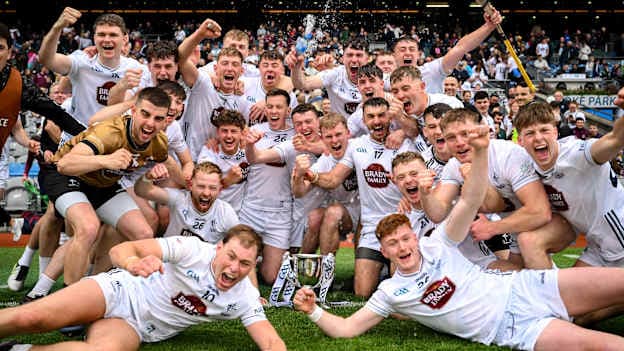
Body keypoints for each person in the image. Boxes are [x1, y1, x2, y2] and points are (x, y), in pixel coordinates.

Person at [292, 124, 624, 351]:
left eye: (406, 239)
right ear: (385, 253)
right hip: (511, 329)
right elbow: (347, 329)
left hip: (527, 288)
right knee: (606, 345)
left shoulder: (438, 242)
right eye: (393, 244)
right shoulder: (391, 292)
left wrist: (479, 154)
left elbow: (469, 198)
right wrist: (312, 311)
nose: (403, 247)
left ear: (415, 238)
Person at [0, 225, 286, 351]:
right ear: (219, 247)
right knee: (32, 318)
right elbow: (124, 249)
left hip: (134, 326)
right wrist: (134, 263)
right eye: (231, 257)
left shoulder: (245, 296)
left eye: (245, 264)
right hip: (117, 291)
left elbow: (271, 342)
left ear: (254, 265)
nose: (235, 268)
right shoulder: (192, 249)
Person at [43, 87, 172, 286]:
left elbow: (168, 165)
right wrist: (106, 160)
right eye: (145, 114)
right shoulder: (111, 131)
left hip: (102, 183)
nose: (150, 123)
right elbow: (65, 164)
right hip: (66, 174)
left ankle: (97, 286)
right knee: (88, 228)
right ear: (134, 111)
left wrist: (187, 180)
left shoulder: (160, 143)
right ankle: (67, 297)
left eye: (158, 118)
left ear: (166, 121)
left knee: (143, 233)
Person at [301, 97, 416, 297]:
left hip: (402, 221)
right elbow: (334, 179)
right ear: (364, 121)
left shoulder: (405, 144)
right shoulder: (356, 146)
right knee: (362, 292)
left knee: (401, 288)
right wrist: (311, 175)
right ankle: (326, 278)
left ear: (389, 116)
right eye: (371, 117)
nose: (377, 121)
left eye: (381, 115)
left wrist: (411, 196)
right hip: (372, 225)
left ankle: (388, 270)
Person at [420, 108, 561, 269]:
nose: (459, 142)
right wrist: (425, 194)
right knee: (516, 277)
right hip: (519, 224)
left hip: (556, 218)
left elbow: (539, 211)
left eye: (465, 134)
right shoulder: (455, 166)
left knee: (531, 249)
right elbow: (437, 214)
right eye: (451, 138)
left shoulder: (507, 155)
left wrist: (491, 228)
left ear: (480, 131)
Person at [38, 8, 151, 127]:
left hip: (113, 139)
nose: (107, 40)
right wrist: (57, 28)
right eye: (101, 34)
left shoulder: (137, 69)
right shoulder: (81, 61)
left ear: (125, 39)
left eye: (113, 35)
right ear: (94, 38)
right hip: (78, 137)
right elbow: (46, 59)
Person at [177, 19, 253, 160]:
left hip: (221, 163)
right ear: (216, 68)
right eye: (225, 63)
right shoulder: (204, 83)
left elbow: (240, 131)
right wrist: (200, 34)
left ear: (241, 71)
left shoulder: (242, 99)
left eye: (235, 64)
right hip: (191, 159)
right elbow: (180, 58)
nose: (230, 68)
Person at [391, 7, 502, 94]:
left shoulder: (432, 71)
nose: (407, 53)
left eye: (411, 49)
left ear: (419, 54)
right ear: (394, 55)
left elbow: (460, 48)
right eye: (402, 49)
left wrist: (488, 26)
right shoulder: (385, 80)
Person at [293, 113, 359, 256]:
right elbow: (299, 192)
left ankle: (325, 269)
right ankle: (304, 265)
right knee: (315, 216)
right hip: (344, 211)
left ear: (348, 134)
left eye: (338, 134)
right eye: (329, 137)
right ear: (322, 139)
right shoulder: (325, 159)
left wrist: (310, 175)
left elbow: (332, 180)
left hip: (365, 210)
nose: (334, 140)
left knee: (333, 211)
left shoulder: (356, 148)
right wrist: (298, 176)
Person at [287, 38, 369, 117]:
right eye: (350, 55)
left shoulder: (378, 78)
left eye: (359, 55)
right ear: (343, 58)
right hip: (340, 129)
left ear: (367, 59)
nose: (354, 60)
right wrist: (296, 65)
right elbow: (303, 84)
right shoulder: (335, 74)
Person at [197, 109, 249, 213]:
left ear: (242, 133)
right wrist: (227, 181)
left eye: (233, 131)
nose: (229, 136)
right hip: (212, 211)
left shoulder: (249, 152)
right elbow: (205, 185)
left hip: (240, 213)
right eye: (224, 131)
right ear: (218, 132)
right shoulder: (209, 151)